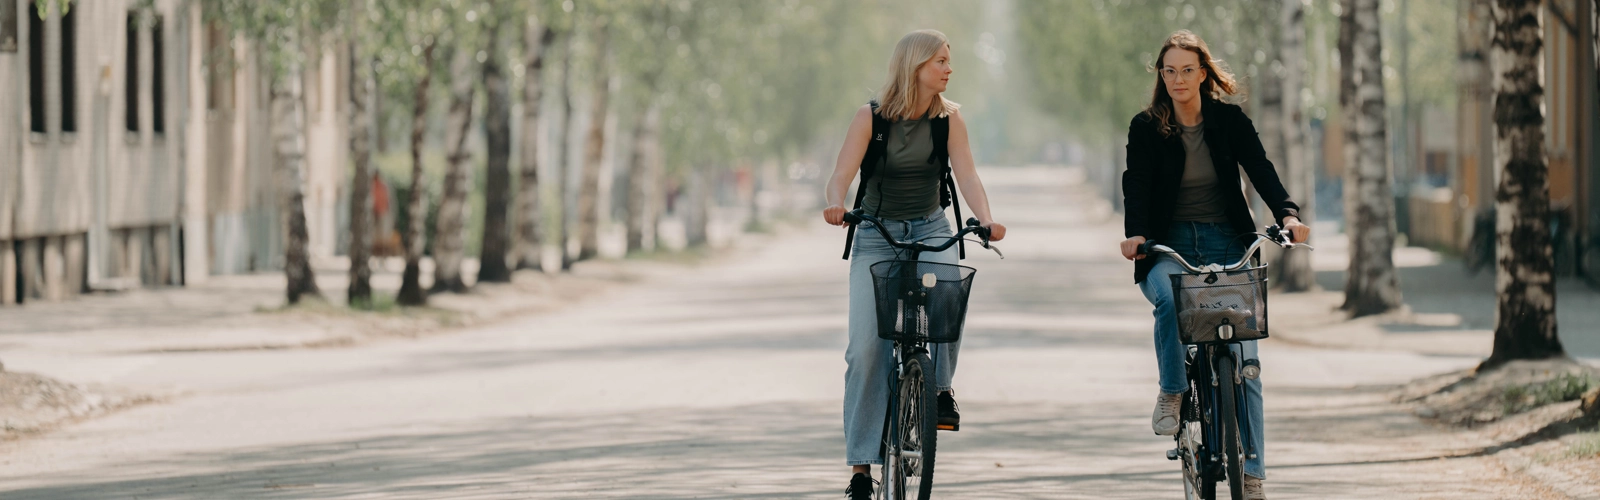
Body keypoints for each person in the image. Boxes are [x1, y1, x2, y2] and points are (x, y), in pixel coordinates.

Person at [1120, 30, 1310, 500]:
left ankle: (1253, 475)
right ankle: (1172, 390)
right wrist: (1137, 235)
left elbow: (1259, 167)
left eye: (1187, 70)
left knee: (1246, 363)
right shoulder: (1146, 127)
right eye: (1170, 71)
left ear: (1203, 74)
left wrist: (1287, 214)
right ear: (1161, 76)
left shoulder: (1228, 121)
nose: (1178, 79)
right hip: (1170, 245)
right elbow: (1136, 183)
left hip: (1228, 241)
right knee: (1167, 299)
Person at [820, 29, 1007, 500]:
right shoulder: (872, 118)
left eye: (950, 61)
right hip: (875, 233)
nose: (948, 69)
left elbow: (967, 174)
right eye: (941, 61)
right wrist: (836, 204)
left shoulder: (950, 119)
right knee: (866, 350)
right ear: (916, 66)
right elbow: (840, 176)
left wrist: (986, 220)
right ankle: (862, 471)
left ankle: (938, 389)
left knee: (950, 295)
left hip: (929, 226)